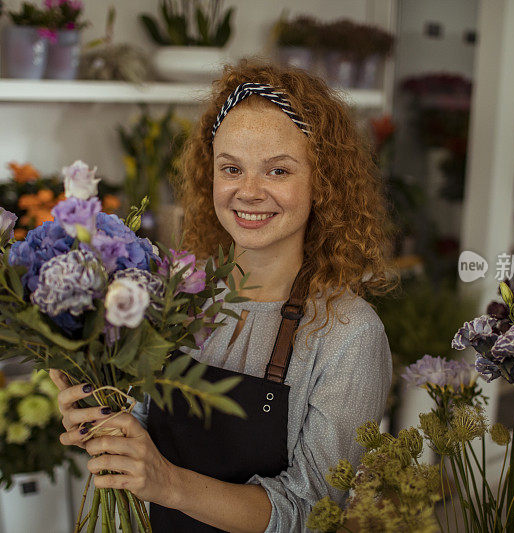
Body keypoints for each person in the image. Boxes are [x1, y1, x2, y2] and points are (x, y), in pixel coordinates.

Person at [50, 59, 395, 532]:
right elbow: (148, 428)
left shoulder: (349, 334)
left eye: (277, 171)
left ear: (323, 182)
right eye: (231, 168)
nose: (248, 191)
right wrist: (104, 420)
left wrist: (168, 483)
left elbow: (312, 512)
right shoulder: (178, 295)